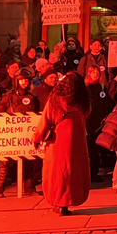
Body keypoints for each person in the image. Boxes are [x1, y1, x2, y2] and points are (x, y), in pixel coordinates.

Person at [33, 73, 91, 215]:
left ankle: (58, 202)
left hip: (57, 141)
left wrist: (37, 138)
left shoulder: (55, 100)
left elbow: (45, 119)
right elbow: (88, 114)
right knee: (73, 171)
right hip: (76, 141)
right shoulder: (82, 101)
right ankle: (68, 202)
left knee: (56, 172)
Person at [0, 69, 40, 197]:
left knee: (29, 160)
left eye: (26, 80)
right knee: (5, 162)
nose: (24, 82)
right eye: (21, 80)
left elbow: (37, 115)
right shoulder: (8, 97)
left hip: (27, 135)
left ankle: (29, 187)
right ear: (16, 81)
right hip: (11, 134)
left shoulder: (33, 97)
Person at [83, 66, 112, 183]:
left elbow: (107, 103)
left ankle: (98, 170)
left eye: (97, 72)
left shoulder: (102, 87)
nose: (95, 74)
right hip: (89, 122)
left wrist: (106, 115)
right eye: (93, 72)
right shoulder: (85, 88)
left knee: (99, 148)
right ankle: (90, 172)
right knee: (90, 149)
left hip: (100, 122)